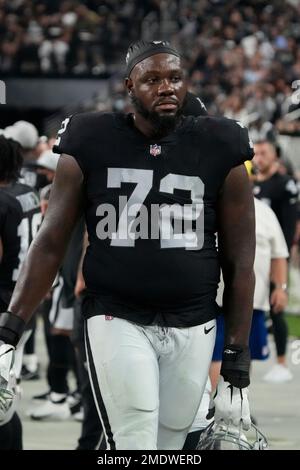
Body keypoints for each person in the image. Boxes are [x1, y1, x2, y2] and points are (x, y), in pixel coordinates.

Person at [0, 40, 255, 450]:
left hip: (194, 320)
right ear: (129, 87)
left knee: (173, 443)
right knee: (135, 440)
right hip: (116, 315)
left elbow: (240, 261)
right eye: (152, 79)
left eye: (174, 78)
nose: (166, 87)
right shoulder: (90, 136)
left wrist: (236, 362)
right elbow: (50, 241)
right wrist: (12, 326)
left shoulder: (222, 142)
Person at [0, 136, 41, 448]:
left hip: (3, 305)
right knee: (5, 395)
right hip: (23, 300)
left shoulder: (2, 200)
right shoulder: (26, 192)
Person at [253, 140, 297, 382]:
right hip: (259, 256)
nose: (259, 157)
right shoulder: (255, 185)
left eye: (264, 153)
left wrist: (283, 259)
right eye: (256, 153)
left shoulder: (284, 184)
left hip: (275, 255)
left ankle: (282, 362)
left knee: (276, 306)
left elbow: (289, 226)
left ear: (276, 156)